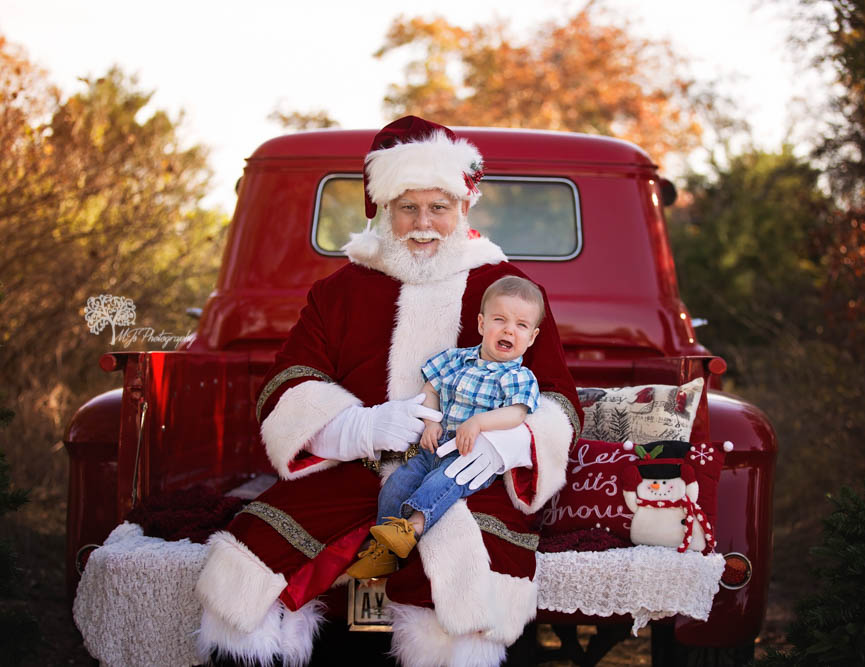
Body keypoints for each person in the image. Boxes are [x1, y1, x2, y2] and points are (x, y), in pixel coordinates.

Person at [193, 115, 583, 667]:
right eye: (408, 208)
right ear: (381, 209)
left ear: (463, 206)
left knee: (467, 591)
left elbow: (558, 402)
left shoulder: (507, 290)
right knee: (253, 567)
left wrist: (504, 444)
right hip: (354, 470)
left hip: (468, 478)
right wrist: (361, 427)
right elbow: (287, 383)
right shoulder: (337, 292)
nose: (424, 224)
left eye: (438, 207)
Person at [346, 276, 544, 579]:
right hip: (435, 443)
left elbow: (516, 413)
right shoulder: (455, 360)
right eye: (499, 320)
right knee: (399, 481)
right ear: (481, 324)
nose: (508, 330)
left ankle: (413, 527)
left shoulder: (518, 377)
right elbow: (431, 388)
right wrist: (430, 422)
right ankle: (383, 547)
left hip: (471, 453)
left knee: (443, 481)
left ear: (531, 337)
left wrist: (478, 423)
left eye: (521, 325)